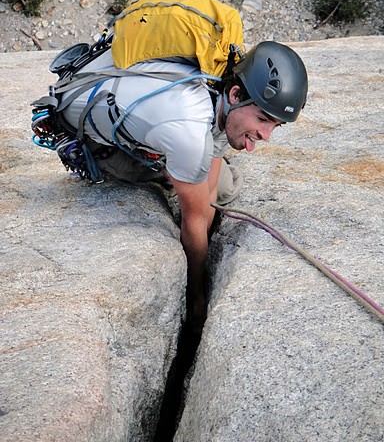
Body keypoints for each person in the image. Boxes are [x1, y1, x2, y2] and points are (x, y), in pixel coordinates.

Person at [55, 39, 308, 334]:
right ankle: (151, 164)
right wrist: (196, 295)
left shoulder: (226, 93)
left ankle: (176, 168)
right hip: (97, 140)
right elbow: (196, 218)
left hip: (169, 121)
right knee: (192, 187)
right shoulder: (189, 131)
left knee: (224, 187)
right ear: (236, 93)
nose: (265, 135)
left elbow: (211, 194)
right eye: (263, 119)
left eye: (275, 126)